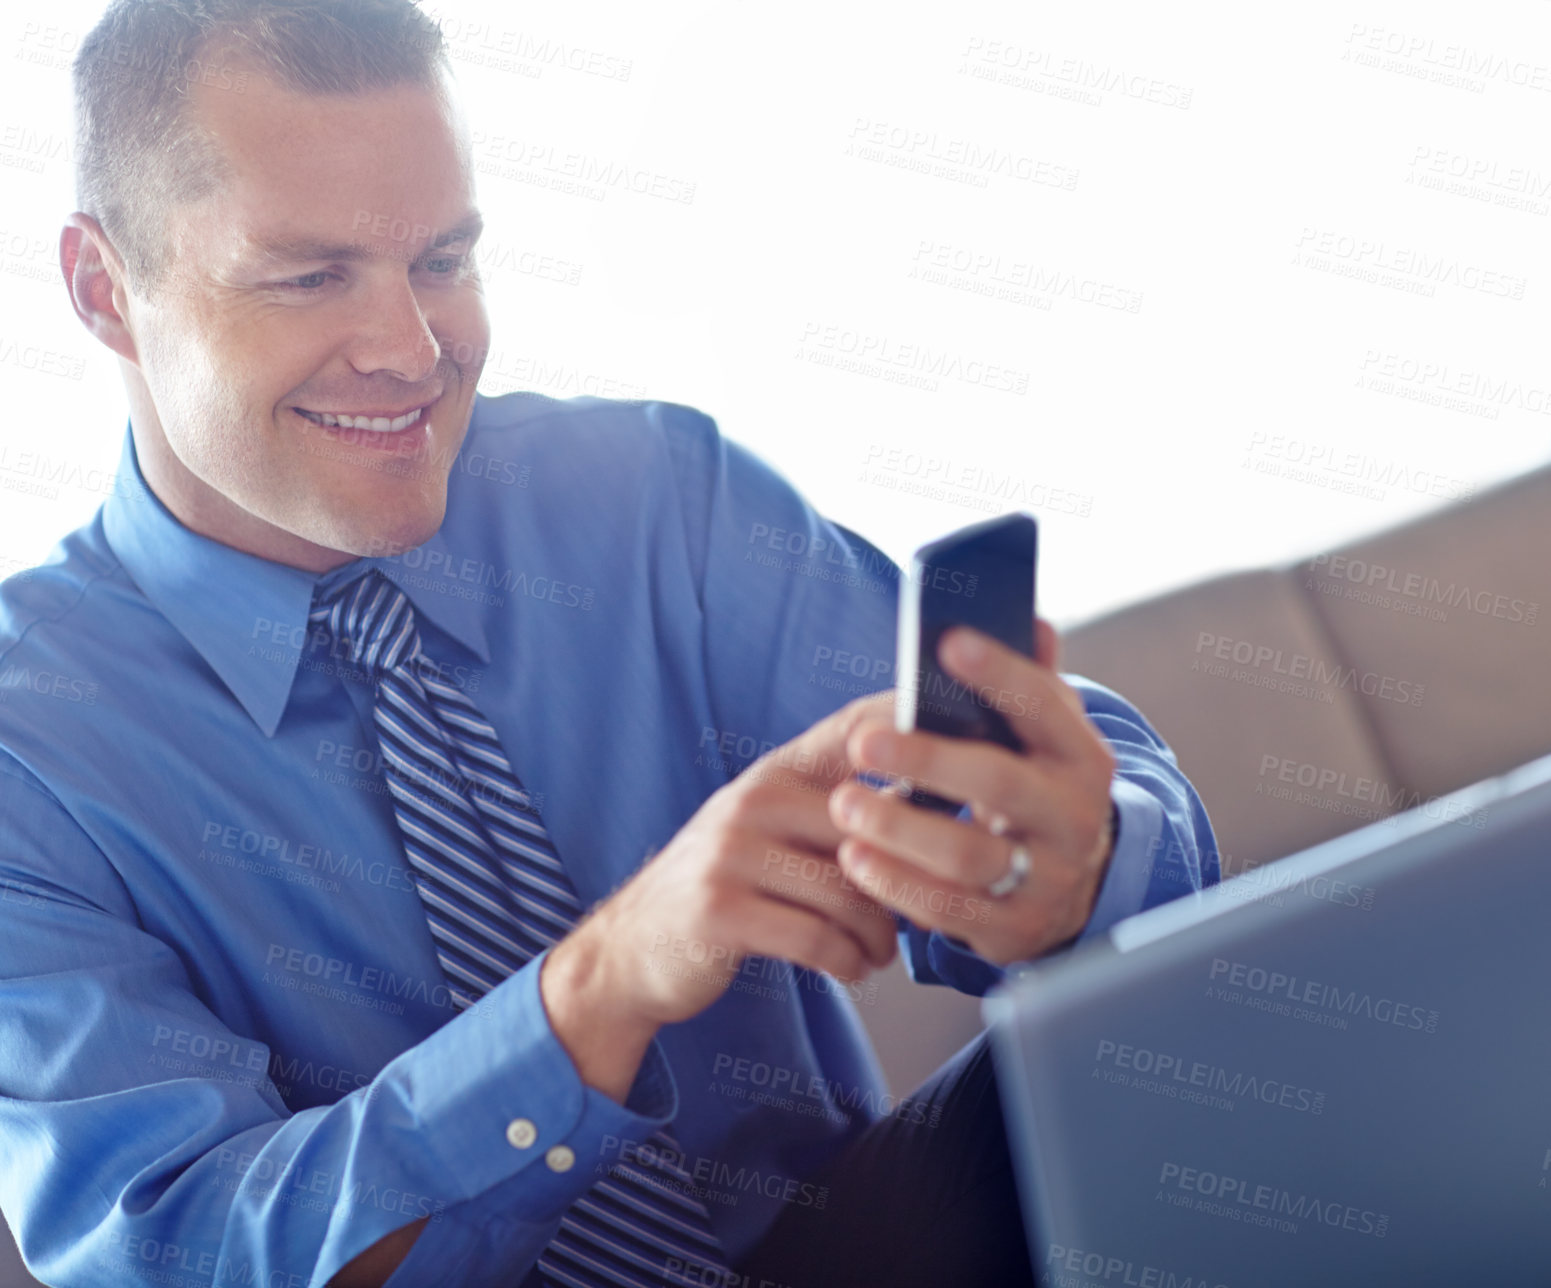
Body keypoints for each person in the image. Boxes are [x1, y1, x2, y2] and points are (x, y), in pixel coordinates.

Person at [0, 2, 1218, 1285]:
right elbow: (186, 1251)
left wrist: (1071, 853)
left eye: (442, 261)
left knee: (1206, 1053)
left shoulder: (648, 499)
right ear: (105, 288)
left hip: (856, 1249)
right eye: (311, 277)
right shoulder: (31, 749)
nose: (414, 353)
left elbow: (1110, 797)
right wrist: (601, 988)